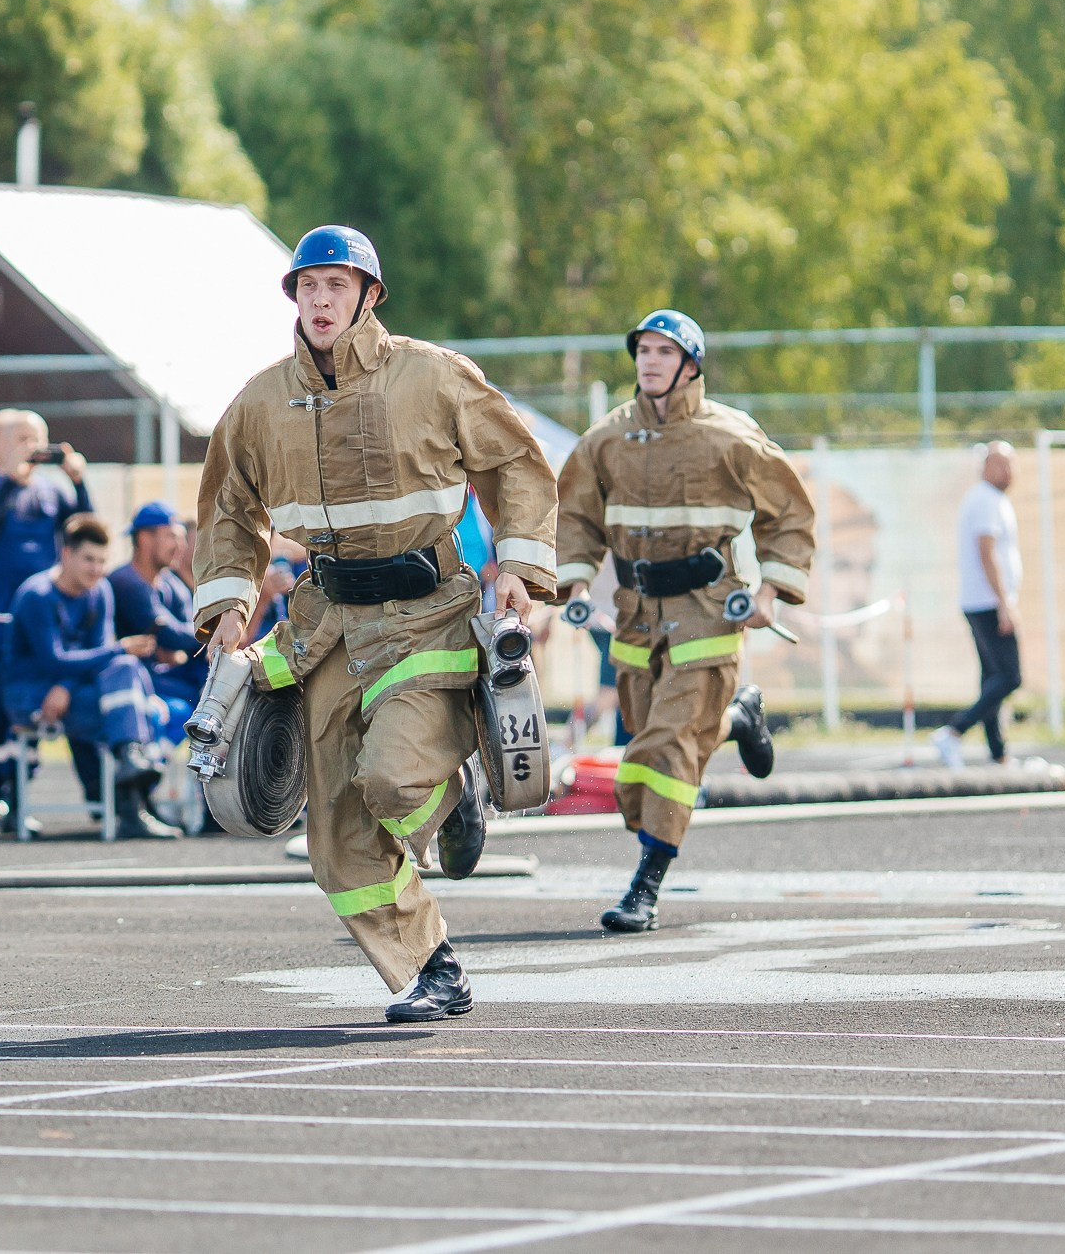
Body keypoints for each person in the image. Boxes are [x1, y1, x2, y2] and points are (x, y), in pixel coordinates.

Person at [194, 225, 559, 1022]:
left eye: (336, 285)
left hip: (430, 614)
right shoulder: (258, 402)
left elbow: (515, 465)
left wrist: (522, 568)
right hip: (323, 626)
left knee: (392, 779)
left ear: (368, 295)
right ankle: (434, 966)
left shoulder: (432, 376)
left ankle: (452, 786)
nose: (320, 301)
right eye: (307, 286)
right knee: (334, 838)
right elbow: (228, 508)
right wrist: (226, 603)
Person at [556, 309, 814, 934]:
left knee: (664, 746)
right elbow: (575, 516)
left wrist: (773, 588)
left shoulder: (731, 436)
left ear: (691, 364)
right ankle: (736, 719)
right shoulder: (605, 440)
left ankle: (647, 883)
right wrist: (576, 579)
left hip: (708, 608)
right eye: (643, 350)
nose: (650, 361)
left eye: (665, 352)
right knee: (650, 734)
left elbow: (788, 513)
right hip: (637, 614)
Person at [0, 409, 92, 835]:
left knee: (26, 709)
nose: (32, 447)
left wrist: (78, 481)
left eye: (38, 438)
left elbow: (87, 535)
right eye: (21, 438)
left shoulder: (51, 493)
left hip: (41, 624)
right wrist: (9, 479)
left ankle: (19, 800)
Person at [8, 514, 180, 839]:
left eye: (102, 561)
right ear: (66, 554)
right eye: (89, 559)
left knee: (126, 674)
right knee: (129, 704)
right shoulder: (37, 595)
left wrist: (68, 684)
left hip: (69, 690)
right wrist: (117, 652)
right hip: (34, 695)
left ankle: (132, 787)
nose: (96, 569)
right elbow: (53, 660)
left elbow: (98, 655)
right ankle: (134, 806)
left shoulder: (100, 591)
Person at [934, 440, 1023, 768]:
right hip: (987, 602)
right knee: (1010, 676)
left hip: (983, 601)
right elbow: (988, 553)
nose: (1010, 471)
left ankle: (998, 752)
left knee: (992, 677)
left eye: (1013, 464)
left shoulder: (991, 500)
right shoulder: (986, 501)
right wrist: (1004, 603)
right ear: (986, 466)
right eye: (1003, 464)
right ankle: (954, 732)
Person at [108, 502, 200, 720]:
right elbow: (173, 635)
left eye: (181, 537)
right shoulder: (126, 582)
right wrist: (210, 634)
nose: (181, 545)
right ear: (144, 538)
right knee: (190, 706)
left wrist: (204, 640)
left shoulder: (170, 583)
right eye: (171, 536)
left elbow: (189, 629)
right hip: (129, 678)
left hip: (160, 674)